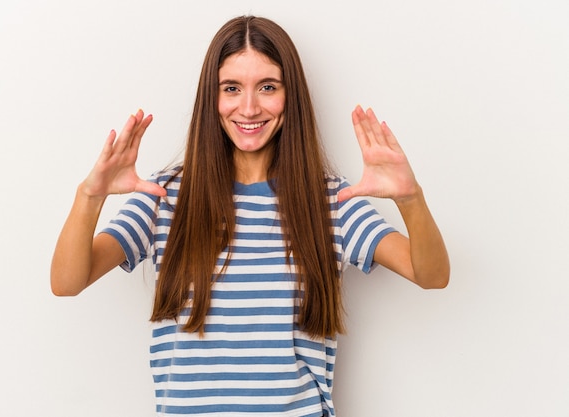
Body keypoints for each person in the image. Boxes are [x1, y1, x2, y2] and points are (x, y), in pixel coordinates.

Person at [51, 15, 449, 417]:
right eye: (232, 88)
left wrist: (410, 198)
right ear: (213, 97)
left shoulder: (329, 201)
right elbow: (67, 282)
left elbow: (431, 275)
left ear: (289, 95)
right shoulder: (165, 196)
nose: (249, 107)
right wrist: (90, 196)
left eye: (267, 87)